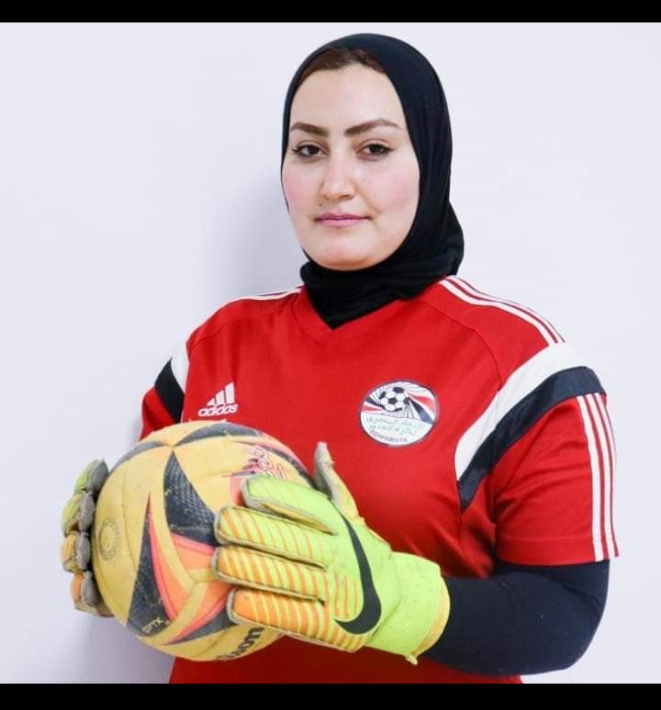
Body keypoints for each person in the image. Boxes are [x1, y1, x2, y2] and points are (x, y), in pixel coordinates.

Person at [60, 32, 618, 684]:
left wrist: (391, 600)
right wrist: (127, 562)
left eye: (373, 148)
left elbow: (565, 617)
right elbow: (175, 565)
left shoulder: (523, 368)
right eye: (308, 149)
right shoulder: (211, 349)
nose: (334, 183)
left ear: (430, 159)